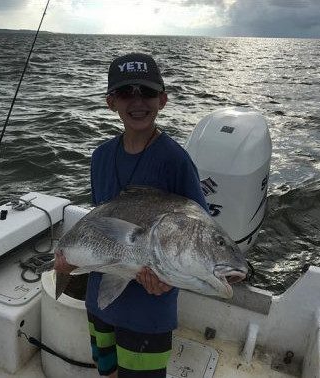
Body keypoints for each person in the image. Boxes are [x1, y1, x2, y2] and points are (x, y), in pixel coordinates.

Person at [55, 52, 208, 378]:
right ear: (111, 102)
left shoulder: (176, 161)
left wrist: (166, 279)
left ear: (163, 100)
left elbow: (198, 231)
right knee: (106, 366)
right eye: (126, 92)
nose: (138, 101)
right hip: (101, 297)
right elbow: (99, 221)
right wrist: (66, 260)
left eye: (148, 92)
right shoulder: (99, 157)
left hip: (148, 310)